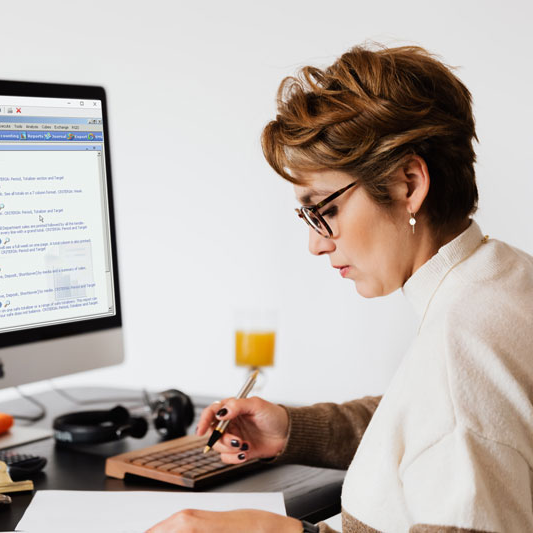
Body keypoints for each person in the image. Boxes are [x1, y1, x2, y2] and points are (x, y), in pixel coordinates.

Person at [147, 44, 533, 533]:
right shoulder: (502, 279)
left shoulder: (460, 347)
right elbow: (431, 423)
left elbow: (455, 414)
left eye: (324, 210)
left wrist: (284, 531)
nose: (314, 244)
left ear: (407, 184)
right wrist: (294, 429)